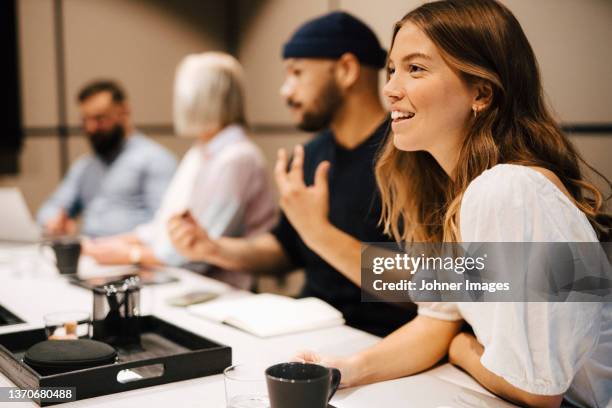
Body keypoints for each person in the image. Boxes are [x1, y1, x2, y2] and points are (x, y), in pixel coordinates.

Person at [295, 1, 612, 407]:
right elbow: (437, 319)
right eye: (392, 69)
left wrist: (462, 347)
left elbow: (537, 392)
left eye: (415, 68)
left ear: (481, 92)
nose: (390, 88)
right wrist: (343, 369)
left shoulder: (508, 190)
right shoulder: (466, 191)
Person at [168, 12, 416, 336]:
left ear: (346, 70)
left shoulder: (409, 154)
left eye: (297, 73)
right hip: (308, 325)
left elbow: (430, 287)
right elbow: (286, 248)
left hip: (379, 337)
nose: (286, 91)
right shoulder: (311, 154)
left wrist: (320, 233)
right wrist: (214, 248)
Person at [83, 53, 277, 290]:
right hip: (185, 281)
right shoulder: (199, 152)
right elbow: (166, 222)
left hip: (222, 290)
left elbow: (195, 251)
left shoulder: (237, 158)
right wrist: (111, 243)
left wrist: (132, 254)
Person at [37, 80, 177, 237]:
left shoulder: (155, 160)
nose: (91, 128)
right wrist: (54, 222)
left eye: (99, 119)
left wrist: (129, 248)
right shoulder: (85, 166)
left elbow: (167, 224)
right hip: (88, 252)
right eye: (85, 120)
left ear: (124, 111)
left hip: (131, 255)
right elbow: (51, 207)